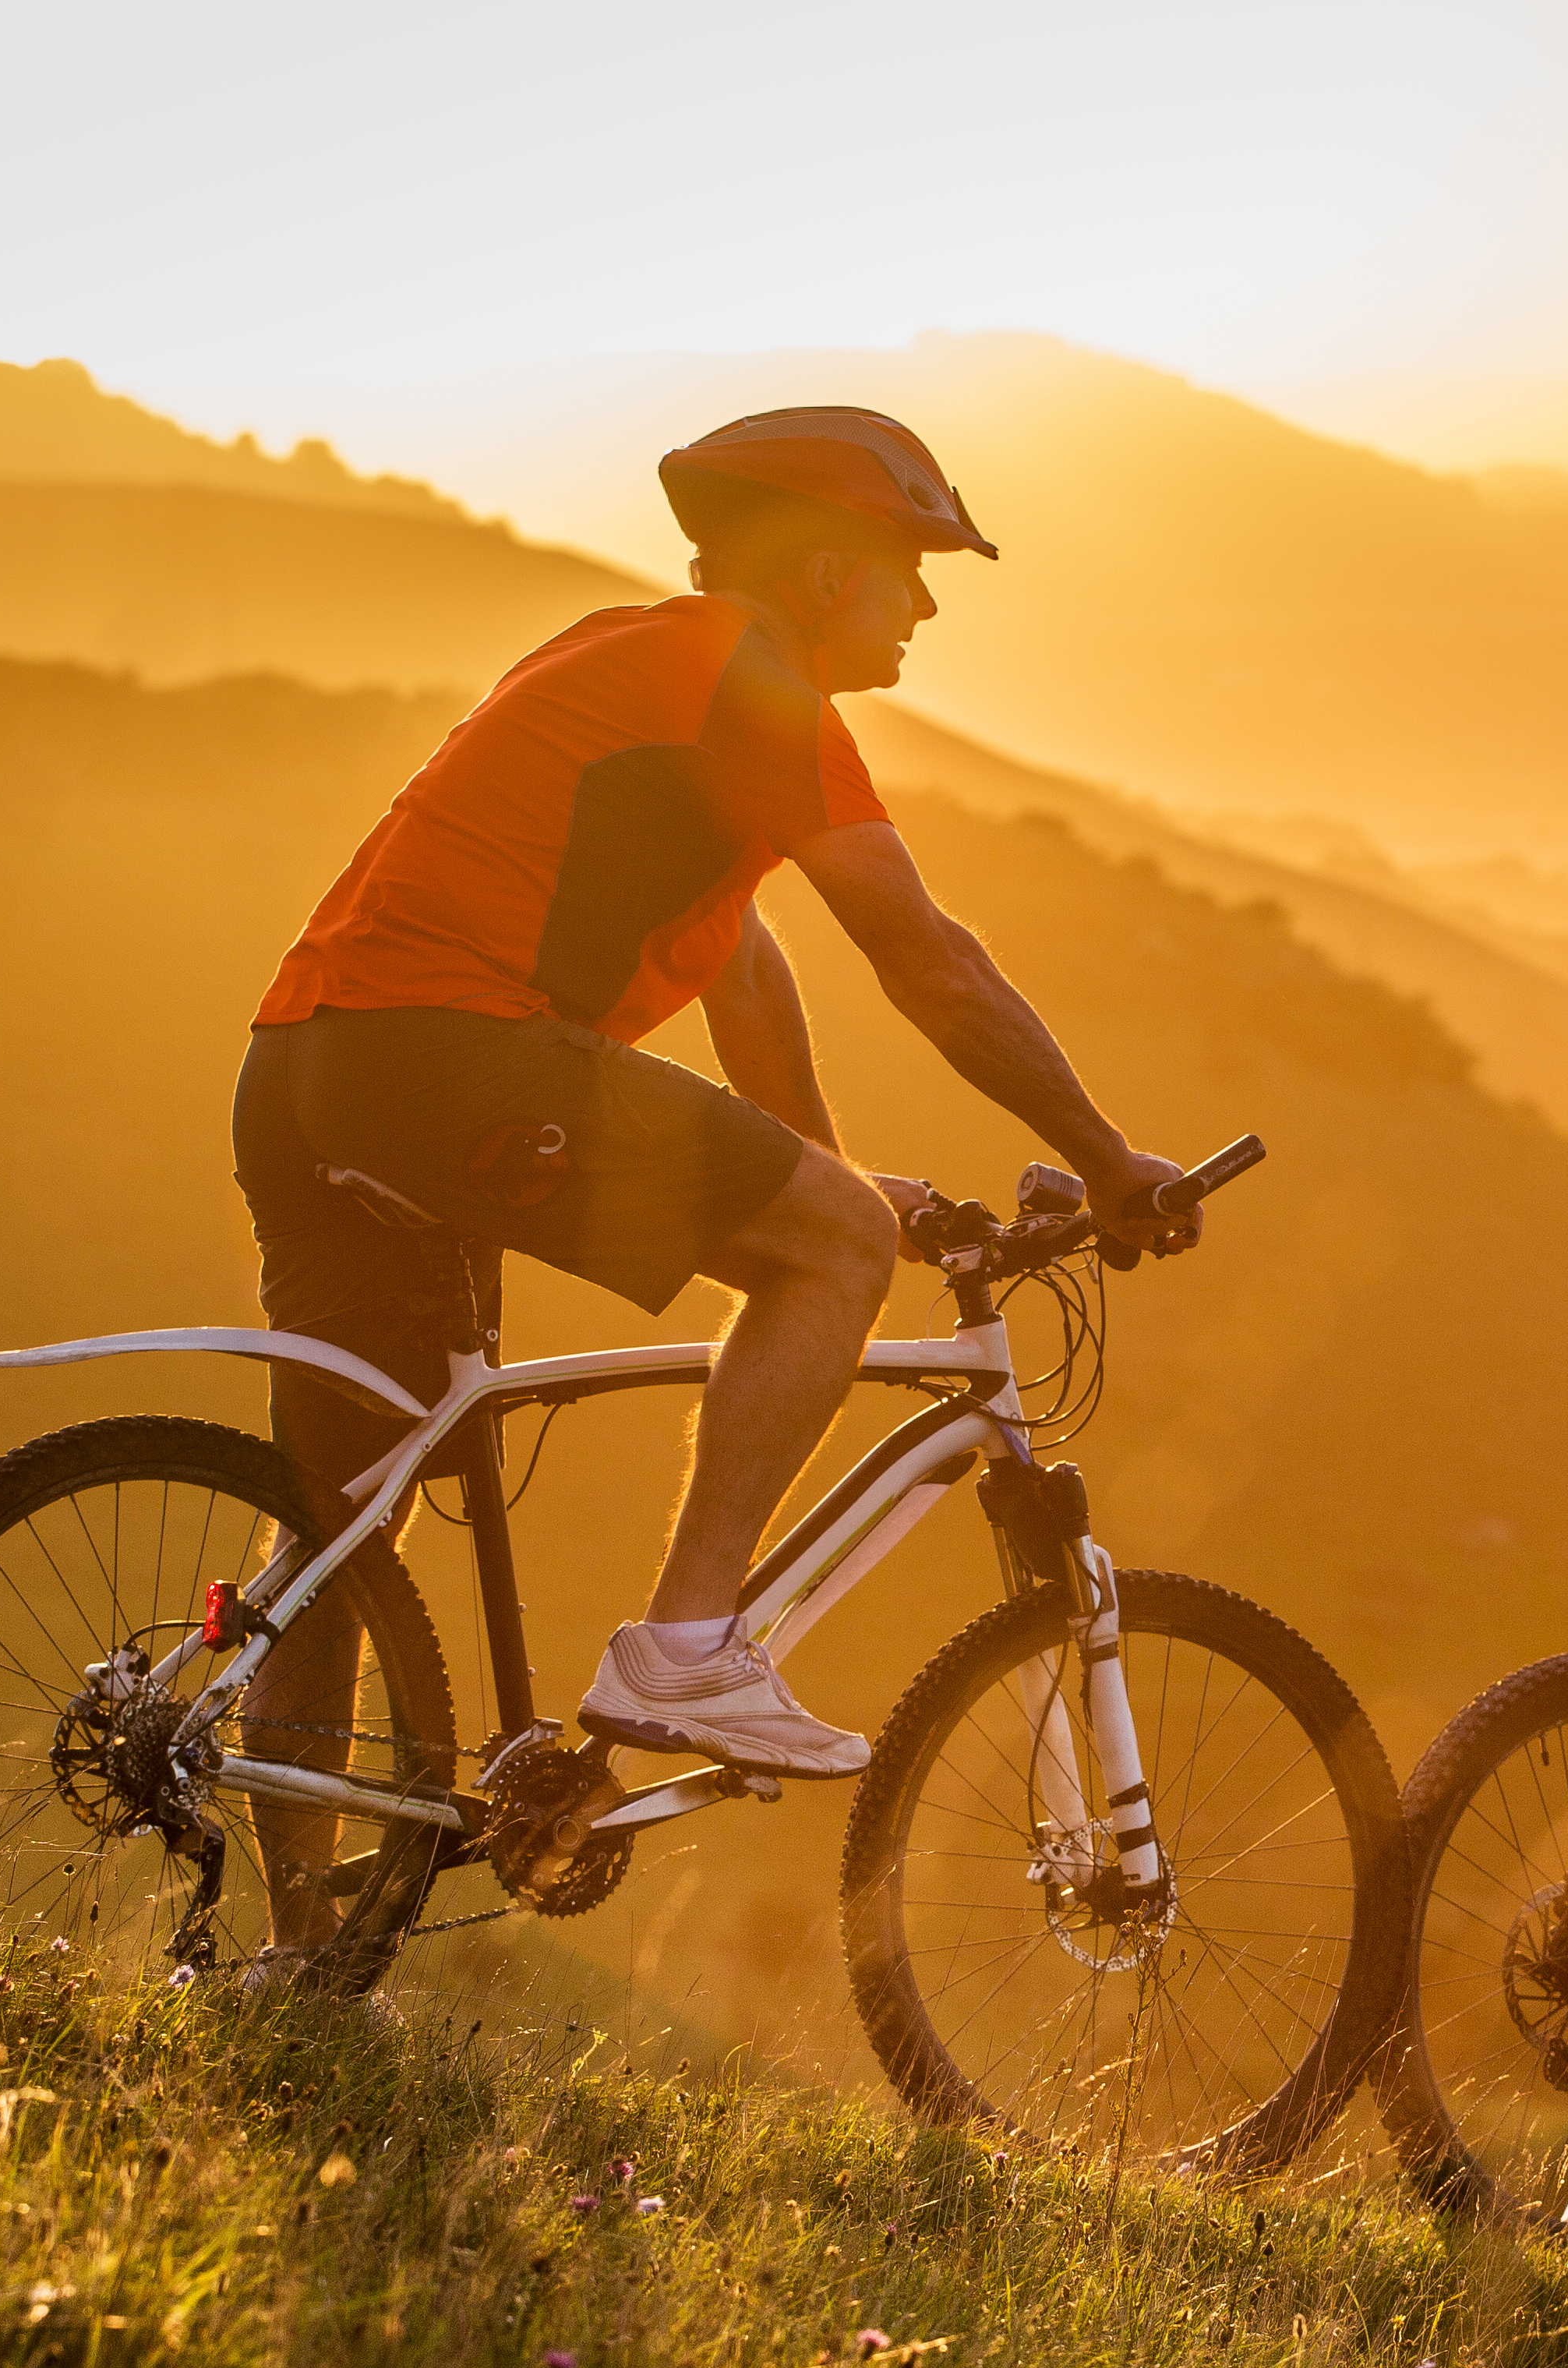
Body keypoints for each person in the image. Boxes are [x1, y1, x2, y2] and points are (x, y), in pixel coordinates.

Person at [231, 406, 1192, 1962]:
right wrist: (1103, 1157)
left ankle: (301, 1956)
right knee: (834, 1256)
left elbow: (744, 964)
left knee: (344, 1532)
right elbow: (931, 965)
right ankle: (685, 1646)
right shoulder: (753, 689)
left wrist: (814, 1169)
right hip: (455, 1059)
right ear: (826, 573)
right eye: (910, 574)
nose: (927, 610)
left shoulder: (635, 664)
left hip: (308, 1071)